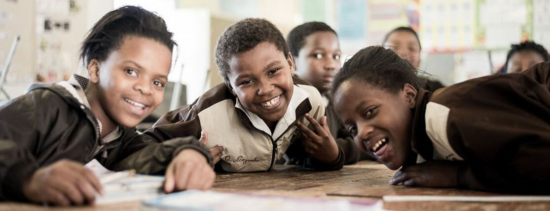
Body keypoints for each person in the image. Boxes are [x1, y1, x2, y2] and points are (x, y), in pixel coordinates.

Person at [0, 6, 215, 206]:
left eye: (157, 82)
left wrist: (189, 154)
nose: (145, 89)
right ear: (95, 70)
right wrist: (31, 180)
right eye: (131, 71)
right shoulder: (47, 105)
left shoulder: (122, 137)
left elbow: (152, 154)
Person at [332, 46, 550, 194]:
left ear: (408, 95)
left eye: (370, 111)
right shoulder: (421, 142)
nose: (363, 132)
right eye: (352, 129)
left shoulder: (446, 114)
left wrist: (459, 176)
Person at [150, 18, 344, 172]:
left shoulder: (309, 100)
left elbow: (303, 156)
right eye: (246, 82)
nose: (266, 89)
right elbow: (145, 145)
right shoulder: (206, 116)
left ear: (290, 63)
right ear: (231, 87)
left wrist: (332, 157)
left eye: (273, 71)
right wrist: (182, 158)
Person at [286, 21, 371, 164]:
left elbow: (362, 138)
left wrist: (337, 150)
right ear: (292, 62)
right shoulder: (293, 101)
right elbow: (309, 155)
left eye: (336, 56)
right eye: (318, 55)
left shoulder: (331, 100)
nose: (331, 65)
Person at [382, 26, 444, 92]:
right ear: (381, 55)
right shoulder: (371, 86)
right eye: (394, 47)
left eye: (411, 48)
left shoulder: (436, 90)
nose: (403, 53)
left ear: (419, 60)